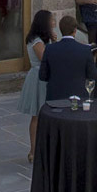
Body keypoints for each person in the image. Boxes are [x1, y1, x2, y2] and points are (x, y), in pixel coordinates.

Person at [18, 10, 58, 160]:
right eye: (51, 20)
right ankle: (34, 150)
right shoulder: (37, 41)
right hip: (39, 78)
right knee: (37, 115)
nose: (54, 23)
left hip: (43, 76)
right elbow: (46, 58)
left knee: (42, 115)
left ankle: (43, 148)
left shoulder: (42, 39)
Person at [41, 15, 96, 100]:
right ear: (75, 30)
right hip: (78, 95)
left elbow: (42, 75)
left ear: (60, 29)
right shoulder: (85, 50)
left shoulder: (50, 48)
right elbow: (92, 75)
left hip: (55, 95)